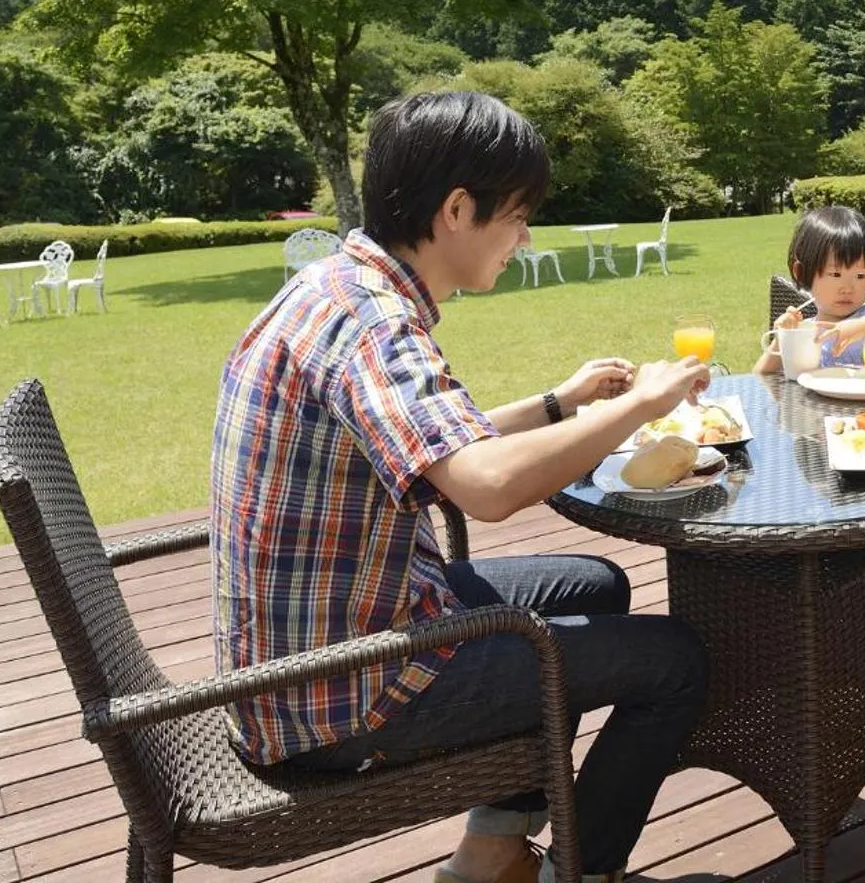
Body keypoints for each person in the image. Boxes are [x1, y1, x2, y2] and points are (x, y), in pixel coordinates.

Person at [212, 90, 711, 883]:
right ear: (456, 210)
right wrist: (643, 405)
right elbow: (485, 486)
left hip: (316, 641)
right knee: (676, 661)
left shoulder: (336, 287)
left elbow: (439, 443)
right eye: (517, 215)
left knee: (595, 585)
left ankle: (492, 855)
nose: (524, 237)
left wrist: (561, 403)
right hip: (334, 691)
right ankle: (581, 873)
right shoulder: (376, 326)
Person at [752, 204, 865, 373]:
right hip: (817, 399)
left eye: (860, 276)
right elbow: (761, 376)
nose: (847, 288)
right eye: (835, 274)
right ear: (801, 273)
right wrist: (781, 339)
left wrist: (859, 327)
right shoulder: (804, 332)